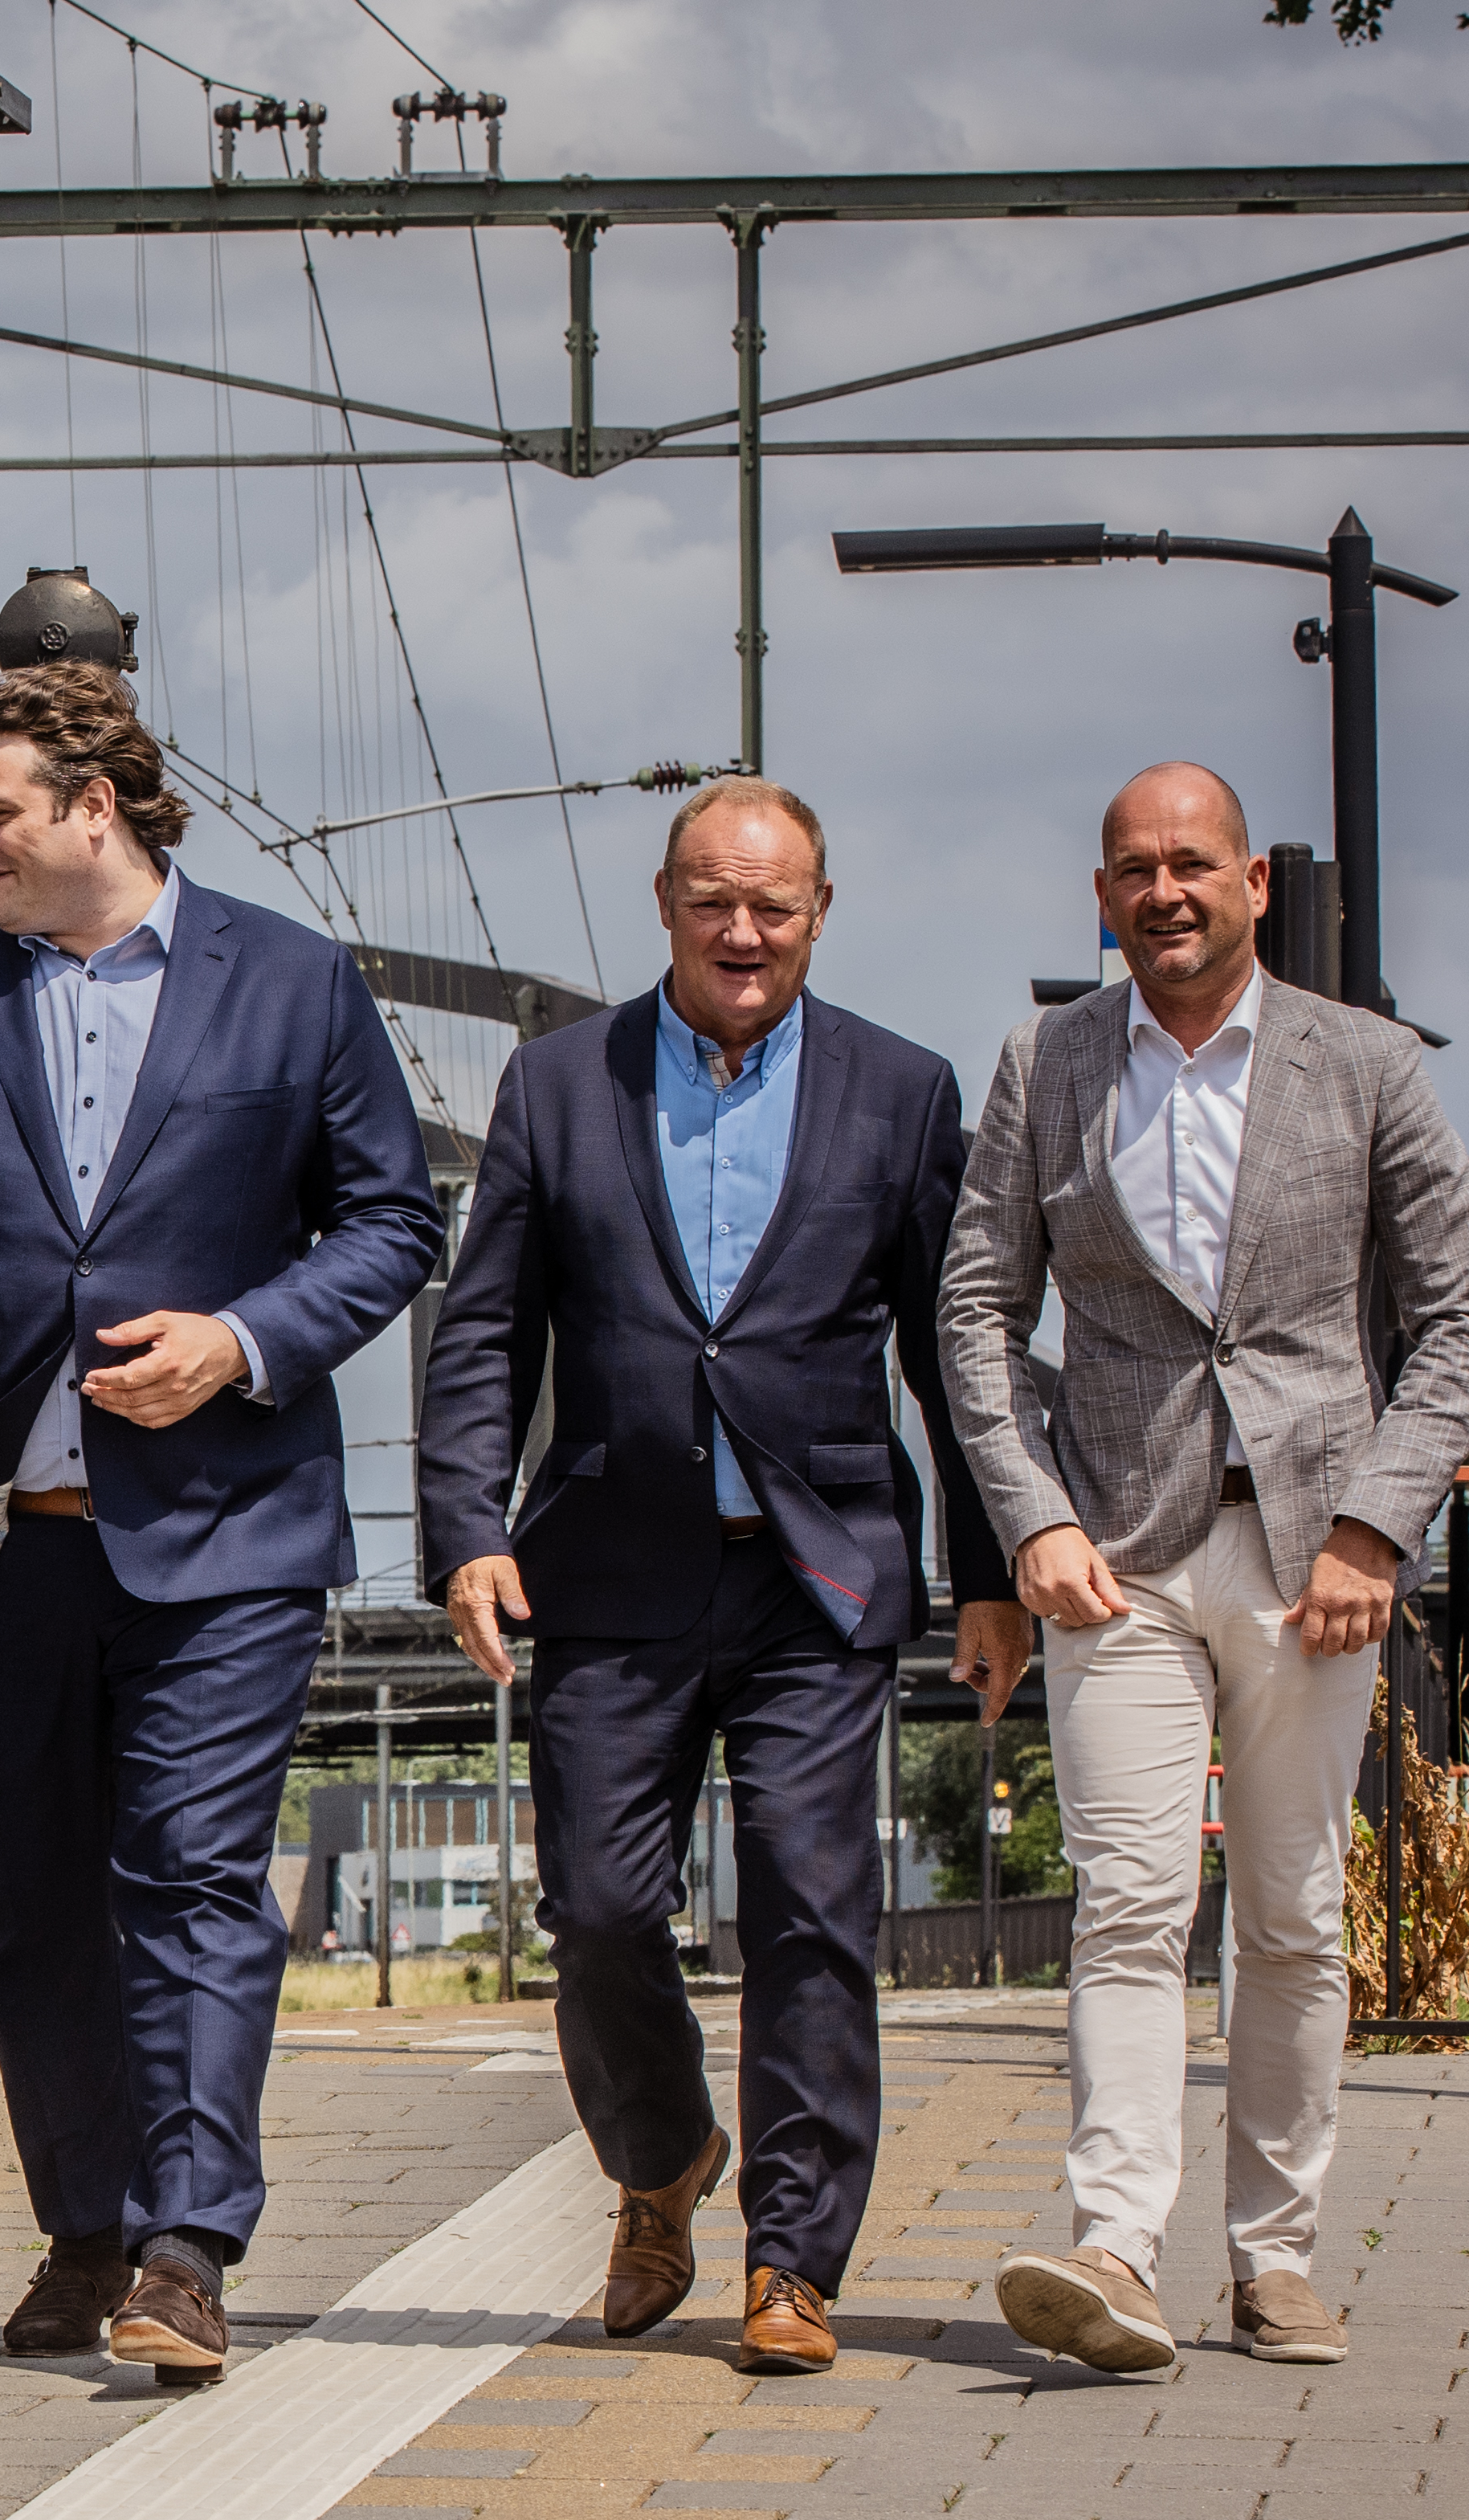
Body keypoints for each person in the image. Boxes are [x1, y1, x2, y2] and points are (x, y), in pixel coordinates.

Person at [0, 663, 445, 2383]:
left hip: (229, 1521)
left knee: (188, 1873)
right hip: (11, 1526)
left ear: (100, 805)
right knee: (26, 1898)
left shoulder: (294, 986)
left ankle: (183, 2245)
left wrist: (244, 1341)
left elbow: (391, 1223)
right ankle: (83, 2227)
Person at [418, 777, 1025, 2378]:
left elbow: (947, 1353)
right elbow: (486, 1329)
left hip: (815, 1576)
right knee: (599, 1908)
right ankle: (664, 2155)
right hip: (611, 1570)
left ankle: (792, 2260)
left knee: (814, 1918)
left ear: (819, 910)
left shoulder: (902, 1094)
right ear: (667, 902)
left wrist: (983, 1571)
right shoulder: (559, 1085)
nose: (743, 932)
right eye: (714, 900)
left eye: (775, 904)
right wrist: (468, 1528)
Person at [941, 762, 1469, 2375]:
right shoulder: (1044, 1065)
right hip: (1114, 1553)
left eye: (1193, 864)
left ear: (1251, 881)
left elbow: (1463, 1319)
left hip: (1313, 1553)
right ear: (1104, 896)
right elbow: (978, 1313)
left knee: (1290, 1917)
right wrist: (1028, 1516)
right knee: (1126, 1900)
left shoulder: (1367, 1066)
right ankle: (1117, 2246)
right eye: (1135, 870)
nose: (1165, 892)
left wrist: (1377, 1527)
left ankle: (1276, 2255)